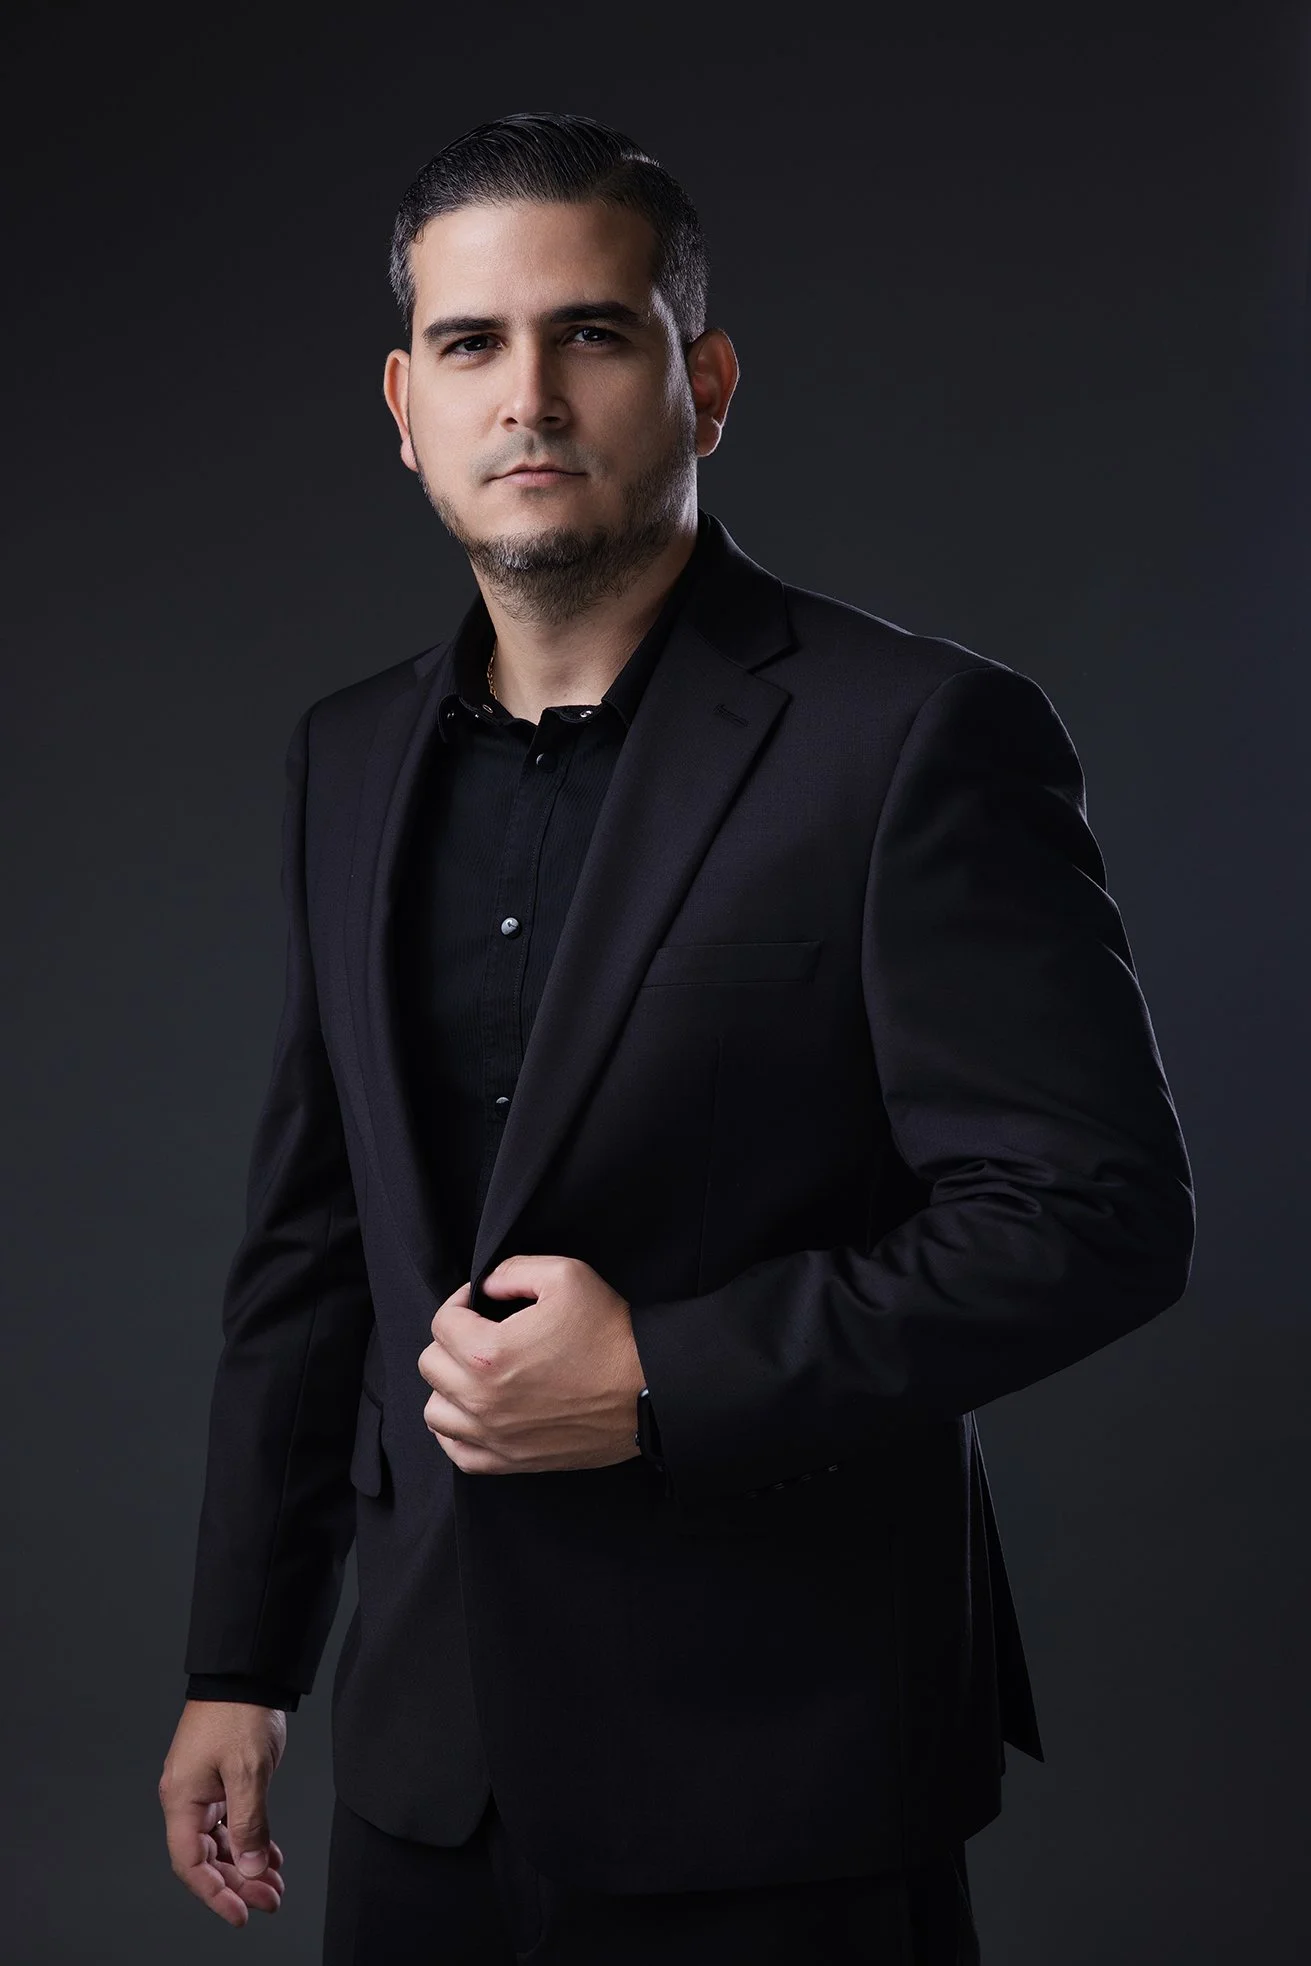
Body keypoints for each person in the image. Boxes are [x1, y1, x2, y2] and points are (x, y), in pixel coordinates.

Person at [157, 110, 1195, 1964]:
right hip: (423, 1756)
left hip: (780, 1750)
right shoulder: (341, 758)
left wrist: (660, 1378)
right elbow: (315, 1248)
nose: (529, 395)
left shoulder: (915, 736)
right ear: (405, 404)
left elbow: (1093, 1213)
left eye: (596, 333)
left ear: (703, 379)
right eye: (473, 345)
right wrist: (241, 1659)